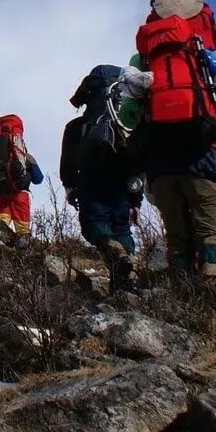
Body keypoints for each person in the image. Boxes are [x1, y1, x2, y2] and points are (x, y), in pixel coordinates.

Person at [125, 0, 216, 292]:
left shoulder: (143, 59)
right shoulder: (203, 51)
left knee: (176, 238)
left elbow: (128, 110)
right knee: (211, 232)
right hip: (202, 154)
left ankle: (181, 293)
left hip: (161, 164)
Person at [61, 65, 144, 293]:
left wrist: (70, 186)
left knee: (94, 224)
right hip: (123, 179)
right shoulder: (128, 118)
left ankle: (117, 255)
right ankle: (128, 281)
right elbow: (139, 156)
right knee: (121, 226)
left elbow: (68, 158)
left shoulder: (78, 127)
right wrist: (136, 200)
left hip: (91, 177)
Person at [0, 114, 44, 248]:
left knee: (2, 221)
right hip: (20, 194)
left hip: (2, 191)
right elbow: (39, 179)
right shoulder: (26, 157)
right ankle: (22, 249)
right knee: (22, 229)